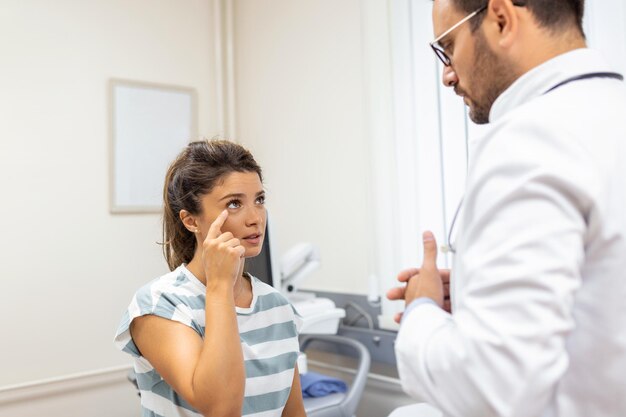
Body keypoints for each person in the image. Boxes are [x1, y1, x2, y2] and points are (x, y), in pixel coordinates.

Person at [387, 1, 626, 416]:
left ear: (501, 18)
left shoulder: (531, 139)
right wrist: (473, 290)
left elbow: (492, 388)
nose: (447, 74)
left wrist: (421, 311)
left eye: (448, 46)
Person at [114, 139, 306, 417]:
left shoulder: (278, 306)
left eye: (259, 200)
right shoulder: (159, 304)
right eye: (234, 204)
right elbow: (221, 409)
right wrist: (219, 287)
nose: (255, 218)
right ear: (191, 221)